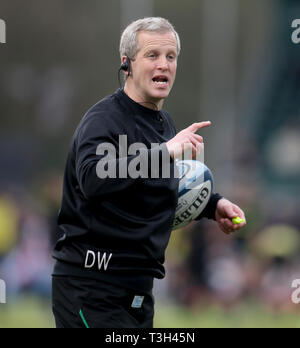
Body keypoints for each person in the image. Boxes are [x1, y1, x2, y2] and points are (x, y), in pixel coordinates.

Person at [51, 17, 246, 328]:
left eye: (171, 57)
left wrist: (212, 204)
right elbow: (93, 179)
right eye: (152, 55)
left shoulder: (163, 124)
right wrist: (166, 151)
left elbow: (155, 183)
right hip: (91, 289)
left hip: (139, 293)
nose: (164, 65)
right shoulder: (103, 120)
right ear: (127, 64)